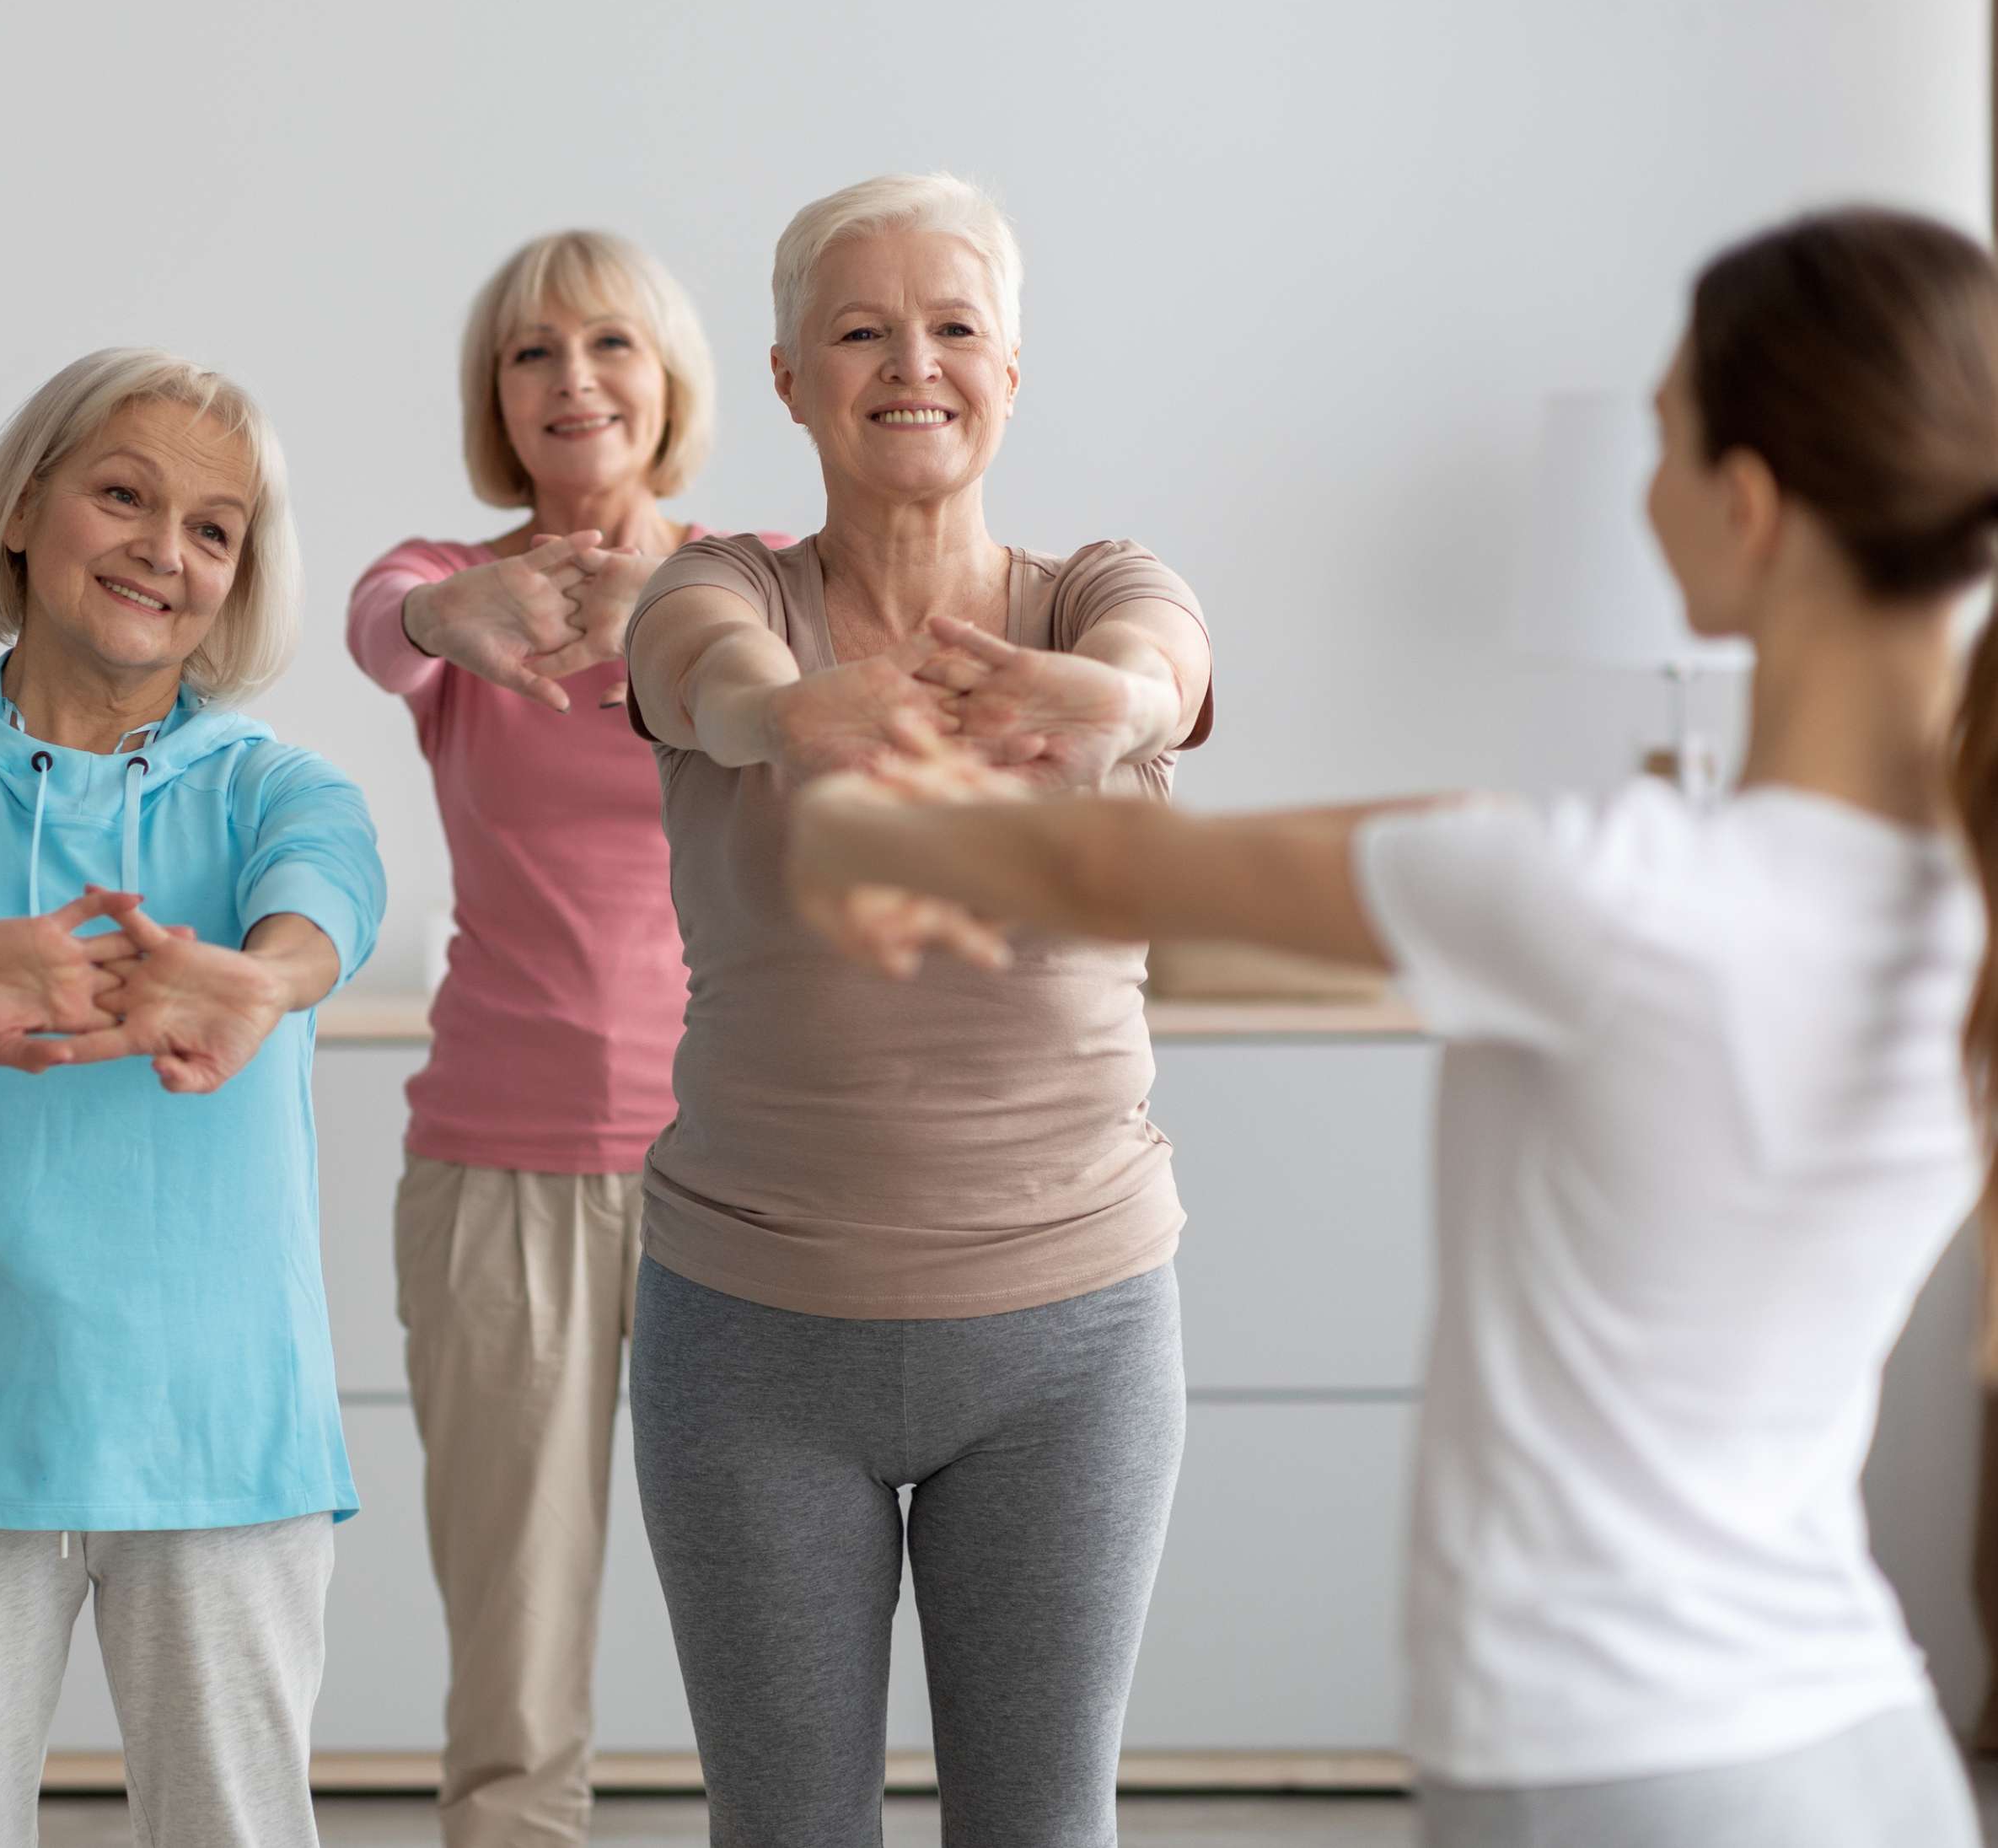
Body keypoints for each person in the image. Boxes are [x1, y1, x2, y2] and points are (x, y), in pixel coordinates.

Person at [781, 204, 1994, 1848]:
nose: (1640, 491)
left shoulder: (1617, 906)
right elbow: (1381, 842)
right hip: (1869, 1742)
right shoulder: (1926, 899)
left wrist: (865, 832)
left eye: (1659, 438)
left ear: (1750, 507)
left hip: (1623, 1761)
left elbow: (1120, 857)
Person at [617, 172, 1217, 1845]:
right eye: (861, 329)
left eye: (955, 327)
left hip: (1070, 1328)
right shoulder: (718, 592)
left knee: (1039, 1822)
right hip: (750, 1329)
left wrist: (1109, 706)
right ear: (792, 379)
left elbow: (1164, 659)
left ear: (1010, 375)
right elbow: (702, 683)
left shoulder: (1094, 592)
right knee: (786, 1824)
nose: (914, 363)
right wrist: (795, 717)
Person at [0, 347, 383, 1848]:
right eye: (125, 493)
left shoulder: (277, 792)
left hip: (222, 1436)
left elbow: (328, 903)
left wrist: (262, 979)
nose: (166, 550)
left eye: (215, 528)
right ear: (30, 506)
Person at [342, 228, 776, 1848]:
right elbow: (384, 626)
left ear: (670, 384)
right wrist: (478, 606)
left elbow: (805, 685)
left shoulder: (760, 577)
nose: (572, 380)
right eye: (532, 353)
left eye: (609, 346)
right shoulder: (440, 586)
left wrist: (660, 600)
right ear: (495, 398)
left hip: (738, 1168)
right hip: (498, 1172)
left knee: (775, 1621)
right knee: (515, 1664)